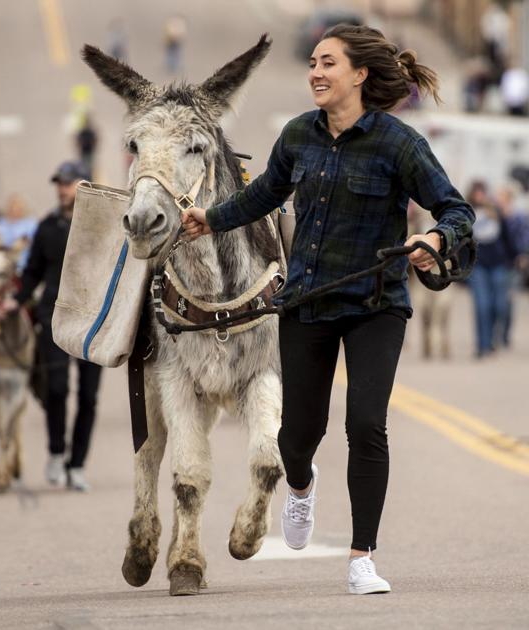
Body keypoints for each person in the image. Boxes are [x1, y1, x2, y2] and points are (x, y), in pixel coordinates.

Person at [182, 25, 474, 594]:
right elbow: (264, 192)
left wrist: (435, 241)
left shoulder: (398, 144)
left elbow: (456, 210)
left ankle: (362, 557)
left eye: (328, 63)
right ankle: (299, 485)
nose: (315, 72)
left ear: (359, 75)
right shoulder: (297, 136)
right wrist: (209, 218)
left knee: (366, 426)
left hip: (374, 305)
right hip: (307, 302)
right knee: (295, 437)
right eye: (313, 62)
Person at [12, 161, 102, 492]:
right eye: (60, 184)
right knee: (56, 389)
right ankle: (55, 452)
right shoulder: (47, 226)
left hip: (94, 321)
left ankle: (77, 465)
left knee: (89, 397)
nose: (63, 189)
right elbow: (32, 270)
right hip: (54, 318)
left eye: (69, 183)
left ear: (84, 185)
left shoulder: (102, 226)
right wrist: (16, 300)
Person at [466, 180, 515, 357]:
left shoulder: (495, 211)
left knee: (499, 305)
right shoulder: (466, 214)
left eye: (482, 191)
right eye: (476, 192)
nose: (479, 195)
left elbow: (507, 237)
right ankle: (482, 345)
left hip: (498, 264)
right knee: (481, 305)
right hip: (478, 265)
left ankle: (494, 337)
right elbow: (461, 244)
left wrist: (515, 257)